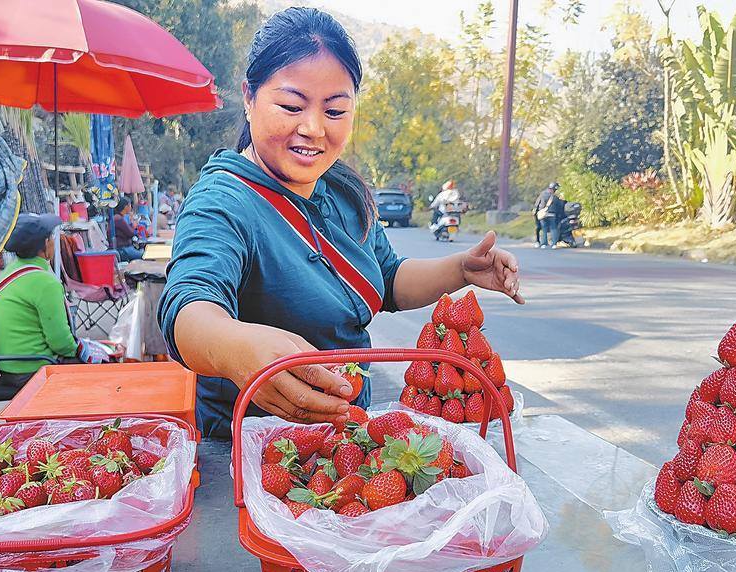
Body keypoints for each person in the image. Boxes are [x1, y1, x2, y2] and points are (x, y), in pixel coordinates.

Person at [159, 7, 523, 438]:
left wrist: (460, 269)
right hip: (256, 455)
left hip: (343, 445)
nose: (313, 128)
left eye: (334, 111)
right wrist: (235, 347)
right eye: (291, 105)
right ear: (249, 97)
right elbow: (189, 306)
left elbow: (387, 277)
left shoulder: (342, 191)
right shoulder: (223, 200)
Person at [0, 214, 107, 387]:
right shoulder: (45, 282)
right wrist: (89, 351)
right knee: (106, 368)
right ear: (45, 245)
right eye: (51, 238)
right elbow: (60, 342)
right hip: (33, 369)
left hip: (9, 367)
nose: (54, 242)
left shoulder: (11, 271)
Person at [533, 181, 564, 248]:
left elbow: (537, 203)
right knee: (553, 228)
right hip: (552, 214)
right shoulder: (555, 196)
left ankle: (544, 244)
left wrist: (535, 211)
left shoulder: (543, 194)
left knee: (544, 229)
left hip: (543, 214)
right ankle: (554, 244)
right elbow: (559, 206)